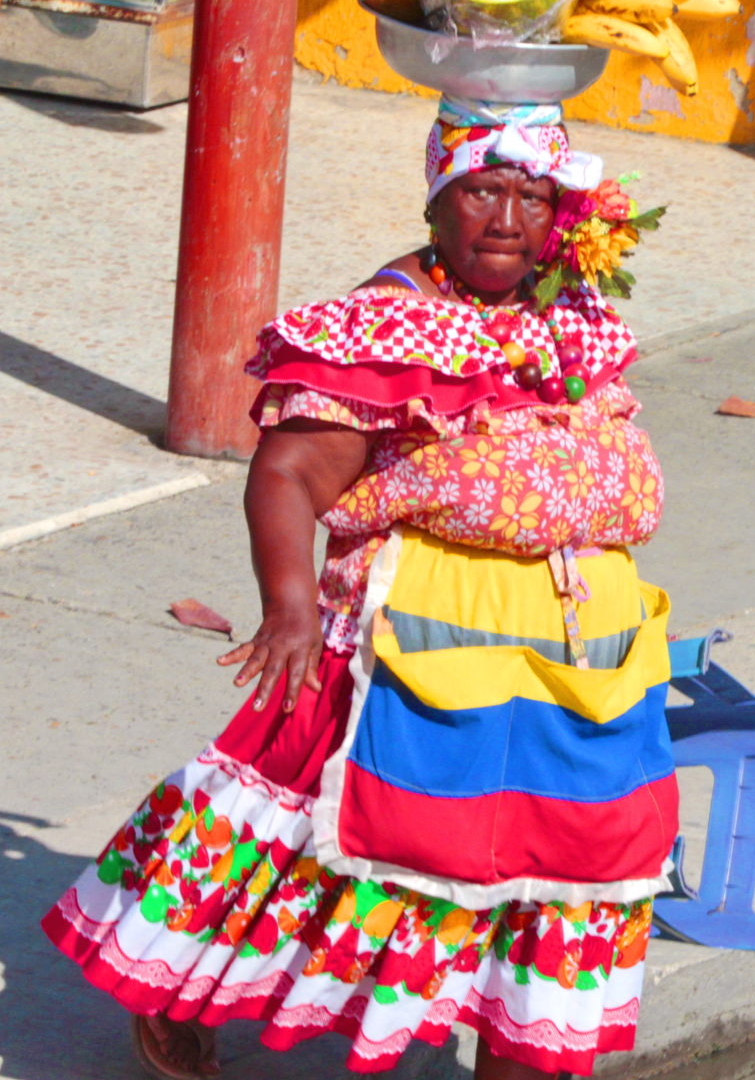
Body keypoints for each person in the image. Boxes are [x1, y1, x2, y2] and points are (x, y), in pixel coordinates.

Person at [42, 96, 676, 1080]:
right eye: (480, 190)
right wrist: (290, 607)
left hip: (578, 649)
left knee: (568, 853)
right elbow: (291, 472)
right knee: (303, 821)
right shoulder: (389, 327)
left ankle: (523, 1051)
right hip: (403, 638)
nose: (506, 216)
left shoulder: (572, 317)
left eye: (530, 194)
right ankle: (170, 992)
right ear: (435, 202)